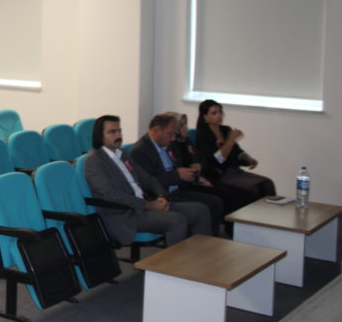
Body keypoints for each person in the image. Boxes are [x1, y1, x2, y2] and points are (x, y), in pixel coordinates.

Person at [84, 115, 210, 247]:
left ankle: (201, 254)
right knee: (177, 220)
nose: (118, 135)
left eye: (119, 131)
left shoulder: (122, 153)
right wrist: (147, 205)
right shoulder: (94, 160)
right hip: (124, 214)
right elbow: (111, 194)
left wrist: (161, 196)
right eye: (112, 132)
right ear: (100, 135)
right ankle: (177, 260)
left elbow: (148, 179)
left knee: (200, 210)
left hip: (142, 206)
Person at [130, 113, 225, 236]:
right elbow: (146, 184)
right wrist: (177, 175)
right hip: (160, 197)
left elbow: (178, 168)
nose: (173, 138)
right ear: (157, 130)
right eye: (170, 134)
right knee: (200, 209)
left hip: (177, 190)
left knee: (215, 201)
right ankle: (197, 243)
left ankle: (210, 240)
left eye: (174, 134)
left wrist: (192, 176)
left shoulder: (168, 145)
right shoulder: (140, 151)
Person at [195, 99, 276, 203]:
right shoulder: (202, 135)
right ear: (205, 117)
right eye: (214, 113)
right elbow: (218, 160)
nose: (219, 115)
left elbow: (237, 151)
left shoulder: (225, 130)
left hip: (233, 171)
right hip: (219, 175)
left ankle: (268, 212)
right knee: (254, 189)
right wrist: (231, 139)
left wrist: (248, 158)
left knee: (267, 183)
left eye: (220, 112)